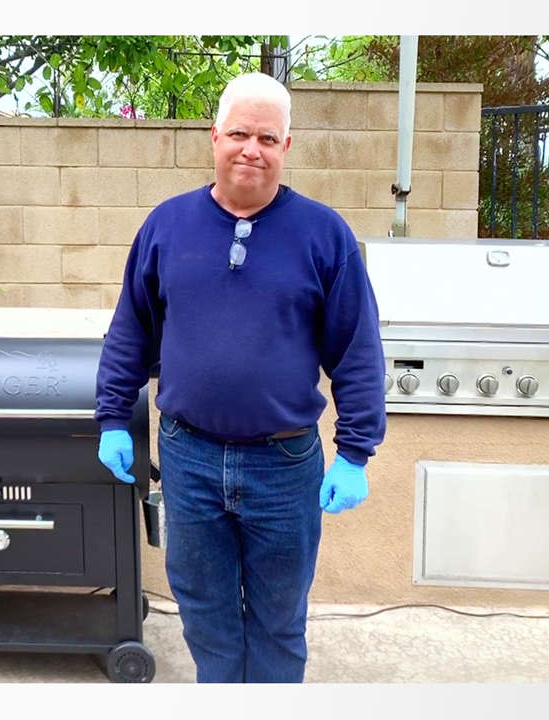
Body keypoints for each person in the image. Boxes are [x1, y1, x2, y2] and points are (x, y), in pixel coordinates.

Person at [94, 72, 386, 683]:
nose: (252, 149)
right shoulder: (166, 227)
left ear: (286, 146)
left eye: (267, 138)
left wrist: (356, 452)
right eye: (239, 134)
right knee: (206, 617)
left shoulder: (324, 235)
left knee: (279, 621)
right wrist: (113, 417)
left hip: (284, 466)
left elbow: (357, 351)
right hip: (189, 459)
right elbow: (131, 331)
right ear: (215, 136)